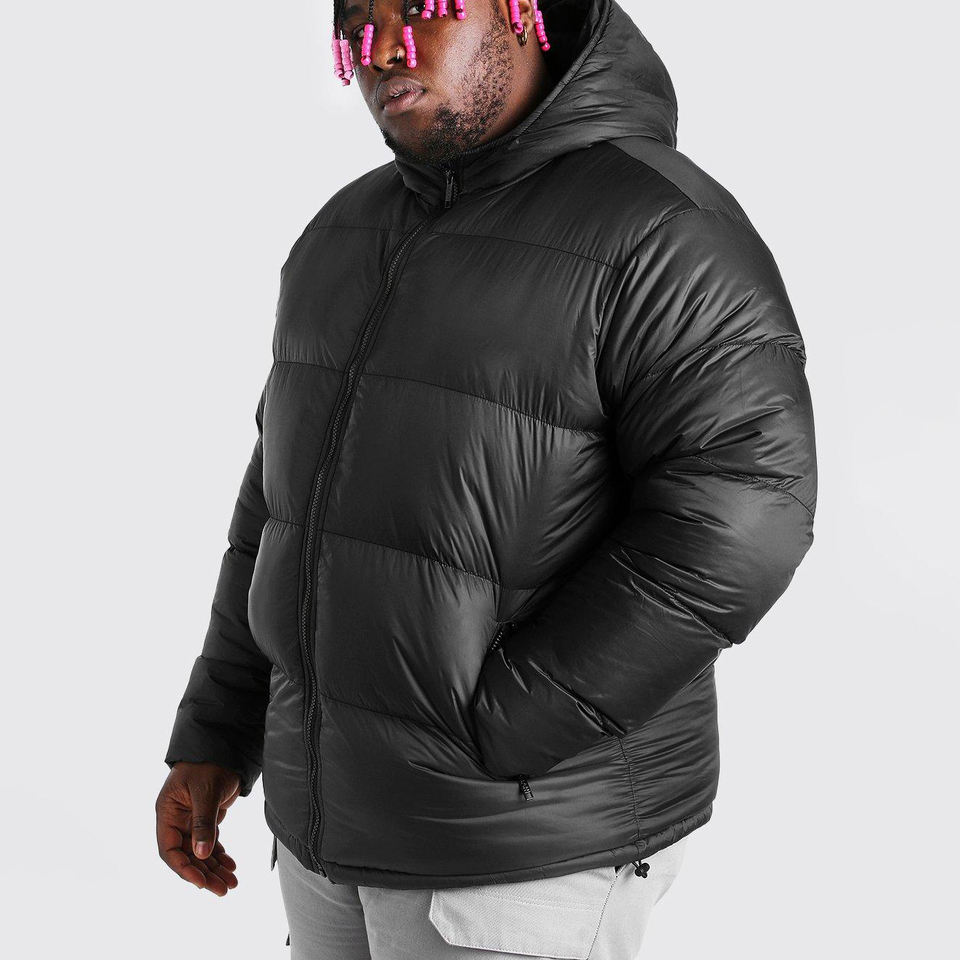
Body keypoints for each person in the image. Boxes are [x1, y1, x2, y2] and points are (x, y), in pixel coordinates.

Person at [156, 0, 818, 955]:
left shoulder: (663, 230)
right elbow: (281, 504)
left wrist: (504, 729)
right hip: (322, 834)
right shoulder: (344, 230)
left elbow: (746, 512)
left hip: (518, 849)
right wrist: (219, 731)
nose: (384, 48)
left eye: (421, 9)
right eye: (358, 21)